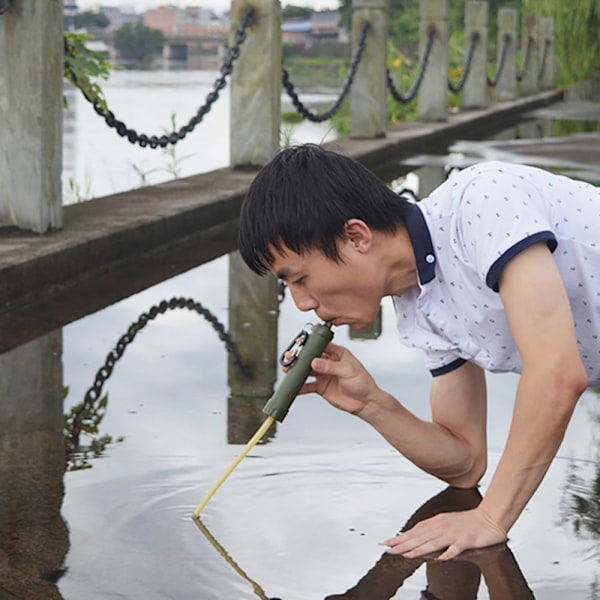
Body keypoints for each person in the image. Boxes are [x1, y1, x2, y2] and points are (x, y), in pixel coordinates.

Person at [237, 143, 598, 560]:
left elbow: (557, 371)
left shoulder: (482, 204)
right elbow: (465, 463)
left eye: (298, 278)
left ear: (356, 236)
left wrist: (490, 518)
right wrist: (371, 403)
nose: (301, 302)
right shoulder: (418, 306)